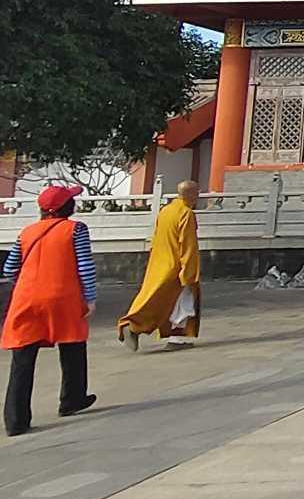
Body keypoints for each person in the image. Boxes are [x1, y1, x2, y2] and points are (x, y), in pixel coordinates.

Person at [3, 184, 97, 436]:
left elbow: (10, 268)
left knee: (22, 359)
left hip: (26, 298)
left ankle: (15, 420)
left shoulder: (26, 232)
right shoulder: (76, 229)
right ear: (69, 207)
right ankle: (72, 399)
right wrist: (90, 298)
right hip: (63, 297)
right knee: (73, 344)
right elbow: (85, 266)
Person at [117, 180, 202, 351]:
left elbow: (156, 236)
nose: (197, 197)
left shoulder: (166, 210)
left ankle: (134, 325)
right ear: (189, 194)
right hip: (177, 266)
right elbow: (188, 245)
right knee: (182, 302)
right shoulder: (186, 213)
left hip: (160, 262)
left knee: (156, 299)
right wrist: (189, 271)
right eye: (196, 193)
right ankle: (172, 337)